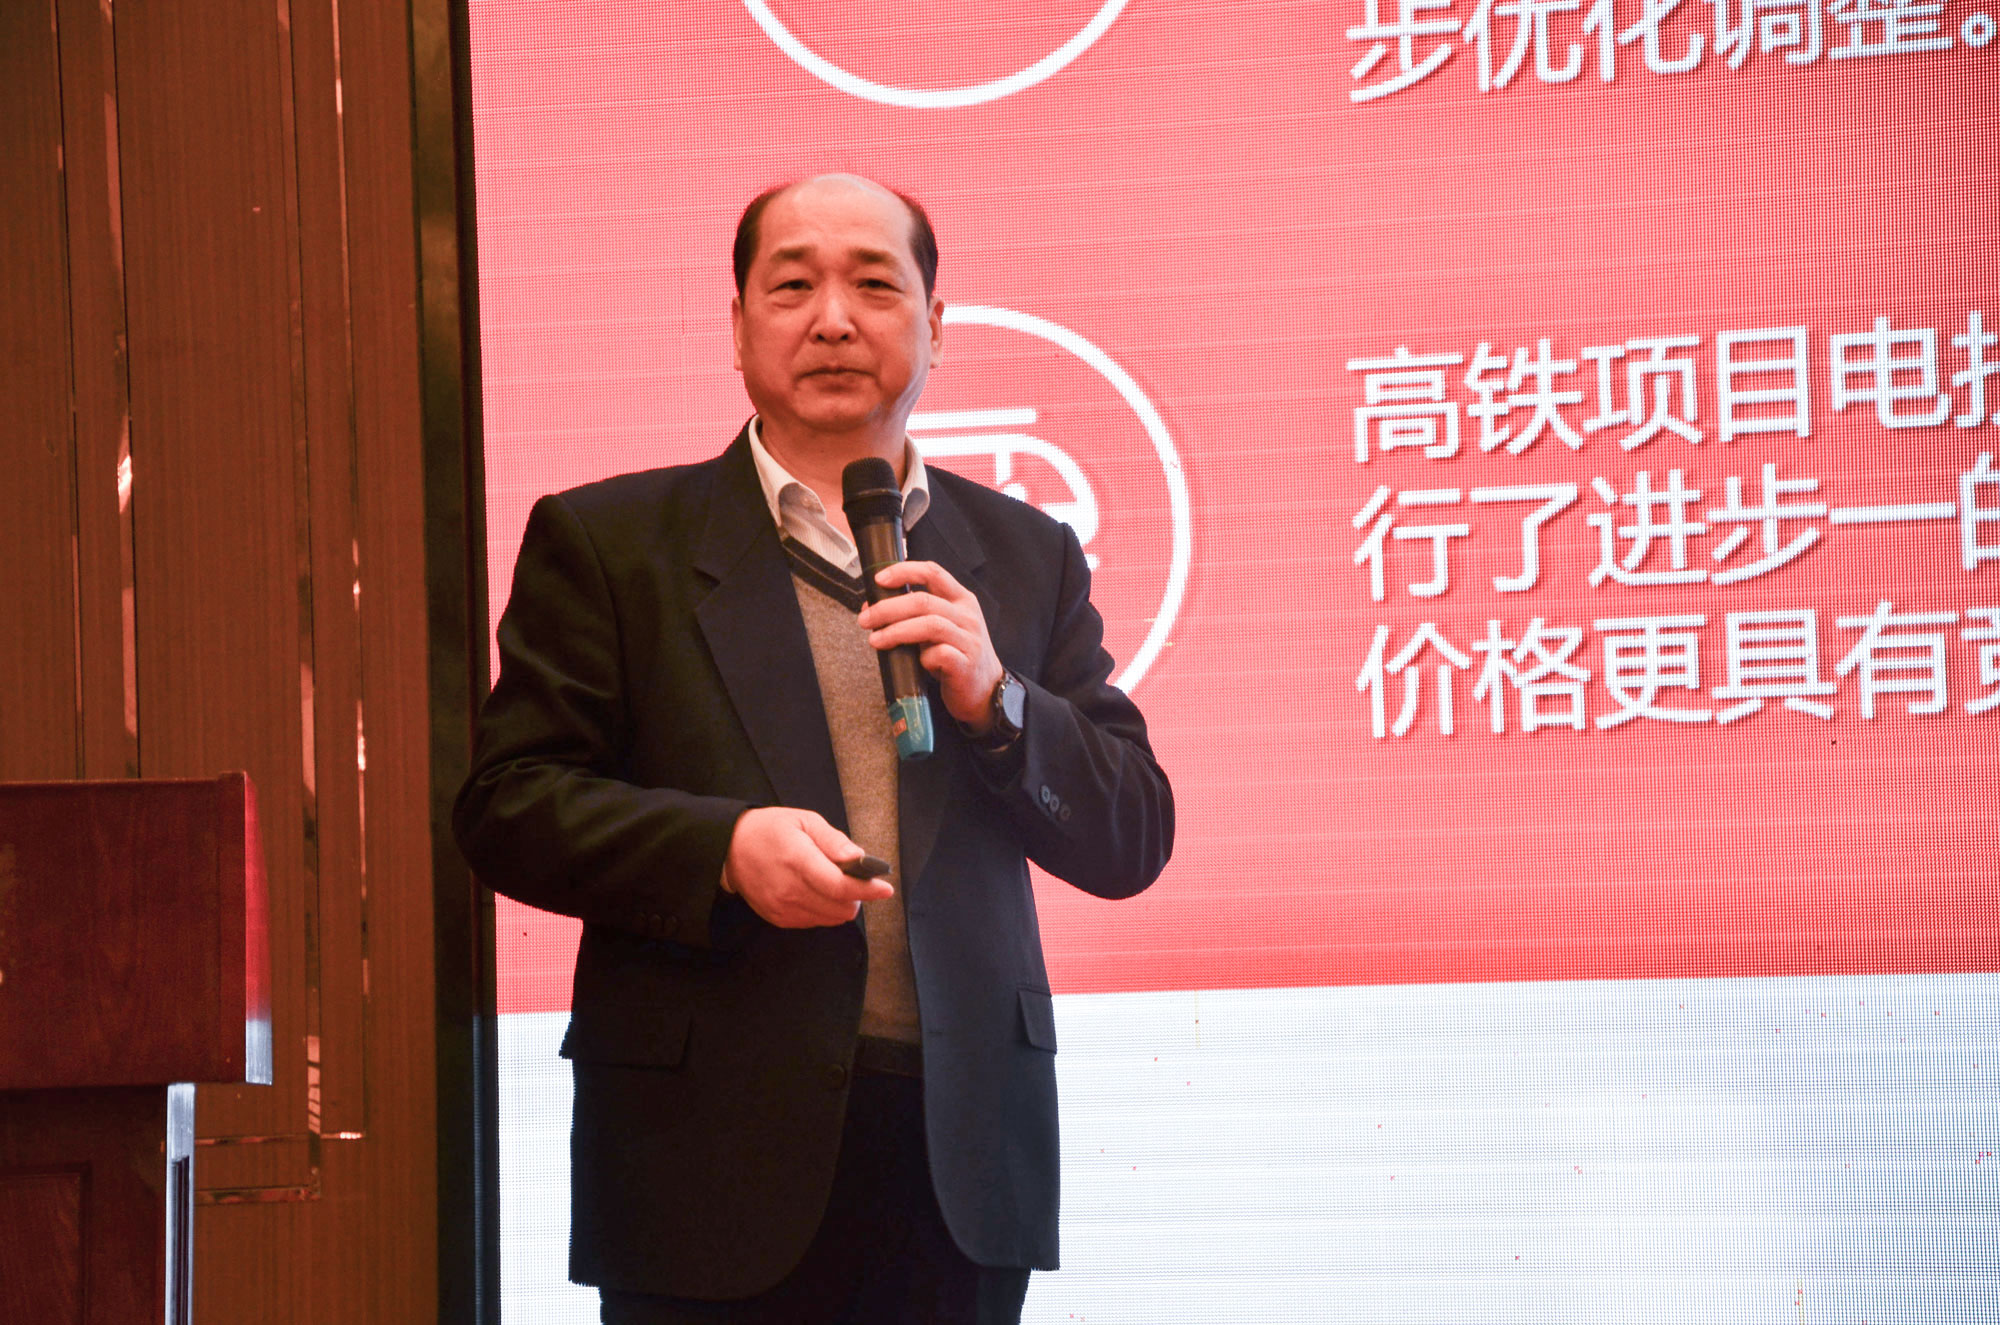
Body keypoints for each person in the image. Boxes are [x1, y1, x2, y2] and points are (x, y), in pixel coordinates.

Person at [454, 173, 1173, 1325]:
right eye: (791, 286)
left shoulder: (1025, 553)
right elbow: (508, 803)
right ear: (737, 325)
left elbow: (1131, 831)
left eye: (874, 285)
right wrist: (722, 849)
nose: (833, 319)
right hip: (704, 1156)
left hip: (957, 1156)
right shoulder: (610, 542)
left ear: (936, 324)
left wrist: (996, 699)